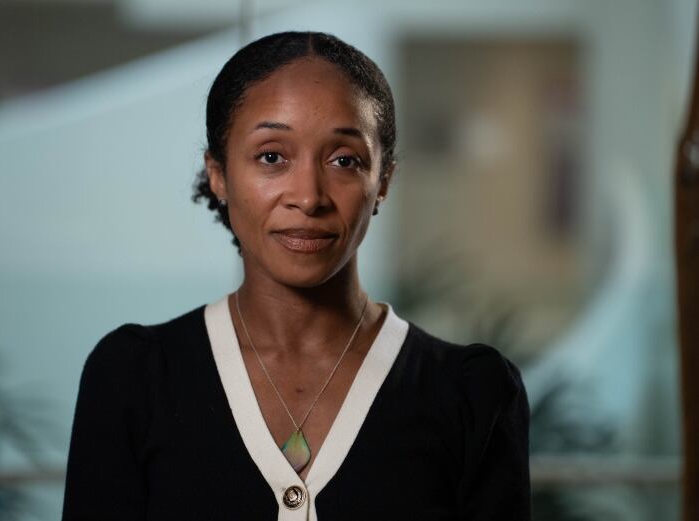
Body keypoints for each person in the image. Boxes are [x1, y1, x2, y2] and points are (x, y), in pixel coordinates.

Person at [61, 31, 531, 521]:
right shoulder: (134, 379)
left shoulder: (471, 394)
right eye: (272, 157)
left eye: (344, 161)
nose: (308, 196)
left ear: (383, 181)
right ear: (218, 173)